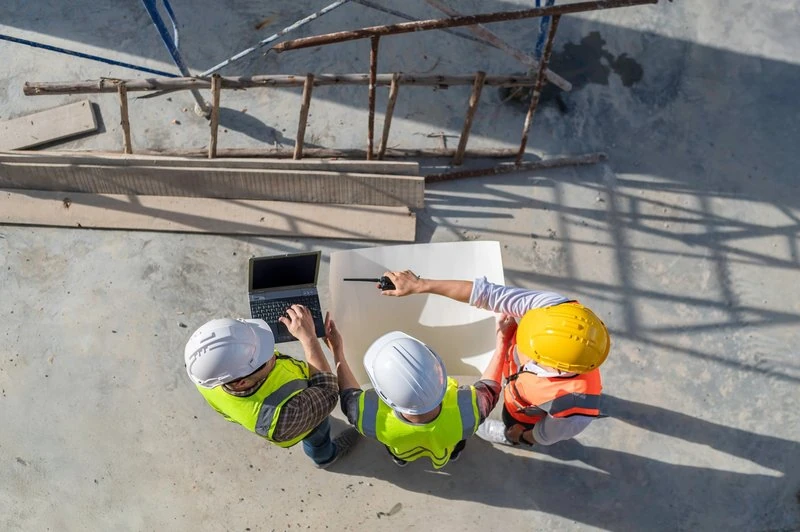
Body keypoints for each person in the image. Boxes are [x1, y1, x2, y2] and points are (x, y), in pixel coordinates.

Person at [380, 270, 610, 447]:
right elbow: (487, 294)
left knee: (512, 423)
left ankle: (507, 436)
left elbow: (546, 434)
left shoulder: (575, 409)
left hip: (524, 414)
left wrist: (522, 435)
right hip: (519, 388)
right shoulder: (556, 311)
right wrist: (420, 285)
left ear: (552, 365)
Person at [326, 310, 511, 469]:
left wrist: (337, 351)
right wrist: (503, 340)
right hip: (445, 444)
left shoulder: (368, 417)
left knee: (399, 451)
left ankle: (400, 459)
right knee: (455, 444)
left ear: (383, 394)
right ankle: (453, 454)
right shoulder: (468, 412)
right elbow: (490, 388)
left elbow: (349, 396)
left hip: (400, 446)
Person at [183, 305, 358, 468]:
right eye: (265, 358)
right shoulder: (285, 417)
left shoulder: (208, 374)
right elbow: (327, 392)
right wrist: (310, 339)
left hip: (295, 405)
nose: (272, 354)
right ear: (241, 382)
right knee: (318, 438)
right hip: (302, 423)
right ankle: (325, 458)